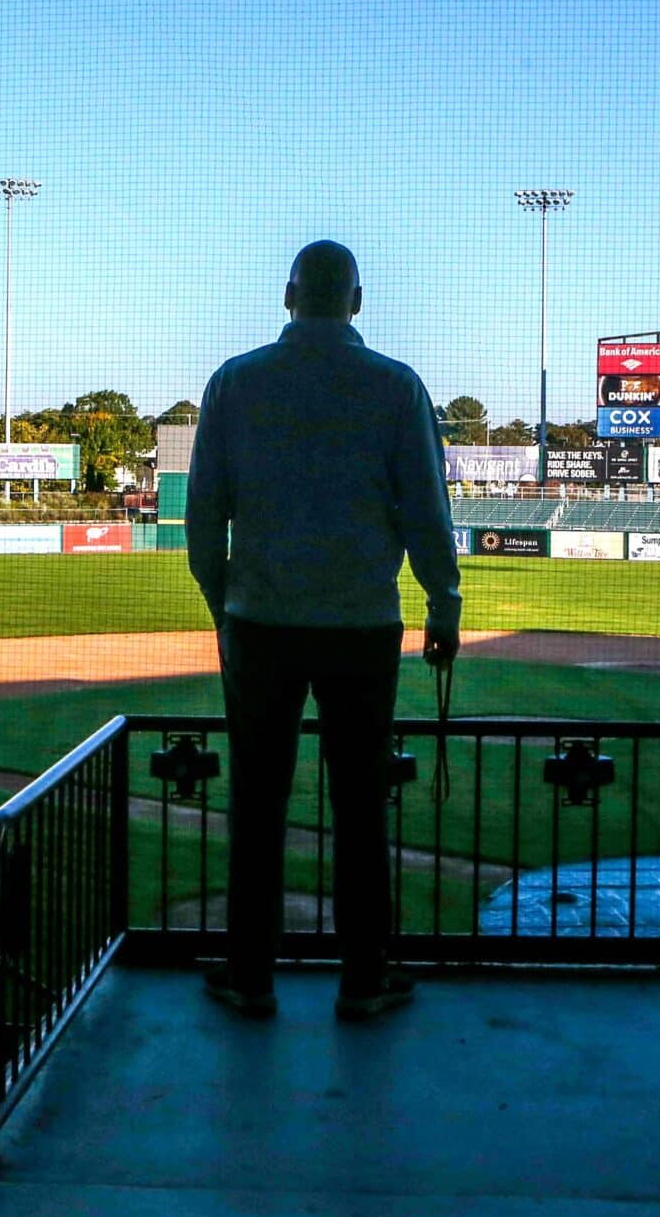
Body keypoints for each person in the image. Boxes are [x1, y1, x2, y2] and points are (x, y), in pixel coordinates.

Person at [185, 240, 462, 1021]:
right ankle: (364, 979)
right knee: (362, 806)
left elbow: (205, 517)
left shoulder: (235, 383)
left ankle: (250, 977)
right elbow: (425, 514)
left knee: (257, 801)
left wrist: (223, 602)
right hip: (362, 627)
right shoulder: (396, 386)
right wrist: (444, 604)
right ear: (358, 301)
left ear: (287, 295)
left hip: (261, 624)